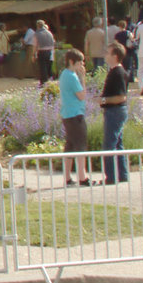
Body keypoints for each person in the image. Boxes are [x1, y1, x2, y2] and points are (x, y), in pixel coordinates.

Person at [59, 48, 91, 185]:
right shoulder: (72, 76)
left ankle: (67, 177)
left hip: (67, 114)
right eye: (79, 63)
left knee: (70, 146)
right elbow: (81, 95)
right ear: (72, 62)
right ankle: (82, 176)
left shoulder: (64, 74)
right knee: (80, 145)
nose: (81, 66)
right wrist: (83, 78)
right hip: (75, 114)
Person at [101, 45, 130, 183]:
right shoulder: (116, 72)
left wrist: (103, 100)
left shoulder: (118, 73)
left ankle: (111, 177)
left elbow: (121, 97)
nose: (105, 54)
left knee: (109, 144)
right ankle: (122, 175)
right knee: (118, 144)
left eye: (108, 52)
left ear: (115, 56)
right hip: (116, 110)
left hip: (115, 110)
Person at [30, 20, 56, 87]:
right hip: (49, 51)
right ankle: (50, 81)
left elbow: (35, 45)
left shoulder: (37, 34)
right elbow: (53, 42)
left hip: (41, 51)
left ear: (37, 26)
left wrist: (33, 54)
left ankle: (43, 83)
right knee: (48, 67)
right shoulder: (49, 33)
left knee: (42, 68)